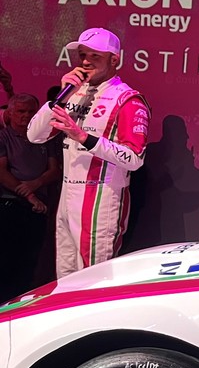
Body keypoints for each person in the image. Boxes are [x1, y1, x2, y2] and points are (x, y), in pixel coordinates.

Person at [28, 28, 150, 278]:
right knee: (65, 276)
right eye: (82, 55)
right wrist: (61, 97)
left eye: (95, 56)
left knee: (93, 278)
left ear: (114, 60)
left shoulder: (127, 99)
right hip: (67, 195)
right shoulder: (74, 93)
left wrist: (84, 137)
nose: (85, 62)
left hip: (100, 198)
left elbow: (134, 159)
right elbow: (34, 135)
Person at [0, 94, 60, 300]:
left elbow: (54, 170)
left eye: (31, 112)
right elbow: (1, 172)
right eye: (21, 111)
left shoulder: (45, 137)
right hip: (11, 205)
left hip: (39, 207)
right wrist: (29, 195)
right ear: (10, 113)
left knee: (30, 260)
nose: (26, 116)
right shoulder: (3, 137)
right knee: (7, 259)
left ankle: (21, 305)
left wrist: (36, 184)